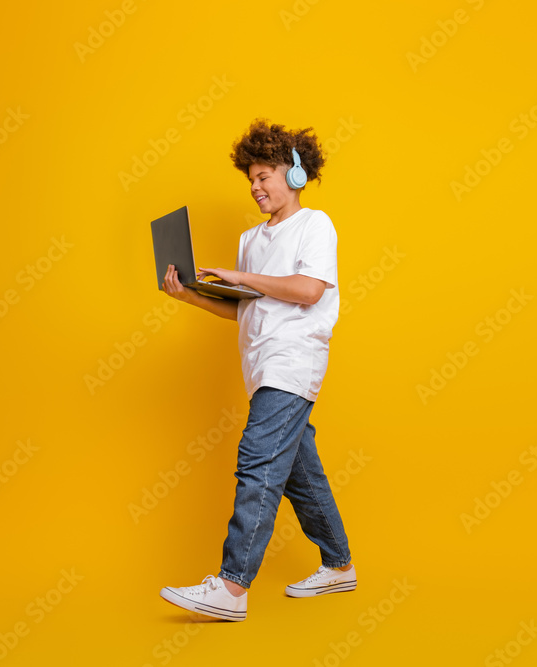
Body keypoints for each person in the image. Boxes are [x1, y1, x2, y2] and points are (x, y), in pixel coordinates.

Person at [157, 119, 355, 622]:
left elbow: (309, 290)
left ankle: (231, 587)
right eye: (251, 178)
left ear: (292, 175)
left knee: (258, 461)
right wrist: (194, 297)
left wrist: (241, 276)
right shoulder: (250, 239)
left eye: (264, 175)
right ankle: (339, 566)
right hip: (260, 363)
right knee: (298, 475)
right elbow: (246, 310)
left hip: (293, 360)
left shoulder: (315, 225)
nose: (255, 186)